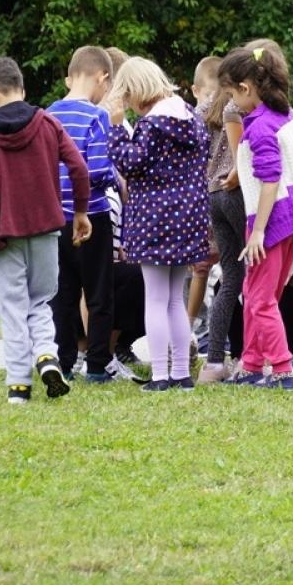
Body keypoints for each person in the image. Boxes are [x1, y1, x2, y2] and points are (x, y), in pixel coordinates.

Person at [0, 56, 92, 404]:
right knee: (41, 300)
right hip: (46, 229)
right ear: (21, 90)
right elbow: (78, 167)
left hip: (6, 234)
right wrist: (80, 212)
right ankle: (46, 356)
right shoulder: (47, 122)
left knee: (13, 306)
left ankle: (18, 386)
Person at [211, 45, 293, 390]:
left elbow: (270, 179)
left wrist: (258, 232)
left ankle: (281, 369)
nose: (232, 101)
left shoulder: (260, 127)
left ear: (246, 88)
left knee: (260, 298)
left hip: (275, 219)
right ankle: (251, 364)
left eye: (232, 94)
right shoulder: (285, 116)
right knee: (258, 292)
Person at [104, 57, 211, 393]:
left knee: (155, 299)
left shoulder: (152, 125)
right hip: (188, 217)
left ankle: (161, 375)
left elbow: (130, 164)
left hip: (154, 219)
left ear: (137, 90)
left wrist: (117, 128)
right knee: (175, 299)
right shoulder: (190, 117)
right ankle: (181, 373)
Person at [45, 45, 119, 382]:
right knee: (98, 293)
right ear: (102, 77)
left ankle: (64, 361)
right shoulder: (97, 116)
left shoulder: (47, 115)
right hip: (93, 215)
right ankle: (98, 365)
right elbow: (99, 169)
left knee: (63, 293)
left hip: (55, 218)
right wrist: (115, 177)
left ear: (70, 77)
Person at [190, 56, 246, 384]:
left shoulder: (204, 109)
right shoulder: (241, 106)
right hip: (237, 191)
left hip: (213, 194)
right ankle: (249, 354)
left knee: (229, 277)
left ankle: (213, 362)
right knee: (254, 275)